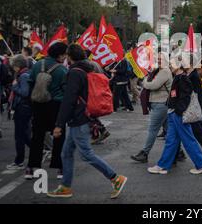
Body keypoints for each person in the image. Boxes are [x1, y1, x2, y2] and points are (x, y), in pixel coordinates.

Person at [47, 44, 127, 198]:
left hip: (79, 118)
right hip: (82, 116)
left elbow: (69, 100)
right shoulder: (88, 69)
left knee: (86, 154)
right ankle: (65, 187)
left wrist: (58, 124)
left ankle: (115, 178)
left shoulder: (74, 73)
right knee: (66, 153)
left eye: (66, 56)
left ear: (70, 57)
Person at [147, 57, 202, 175]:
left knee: (187, 140)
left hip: (177, 114)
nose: (170, 65)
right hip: (174, 113)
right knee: (171, 141)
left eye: (172, 64)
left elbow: (185, 97)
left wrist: (178, 111)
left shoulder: (182, 78)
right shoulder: (179, 77)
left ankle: (201, 164)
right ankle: (163, 165)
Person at [25, 43, 68, 179]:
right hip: (55, 105)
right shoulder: (62, 69)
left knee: (37, 136)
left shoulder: (38, 64)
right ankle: (59, 168)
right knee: (58, 136)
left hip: (38, 104)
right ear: (60, 55)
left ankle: (31, 167)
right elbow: (65, 89)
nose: (65, 57)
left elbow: (30, 82)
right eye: (64, 54)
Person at [131, 53, 172, 163]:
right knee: (169, 131)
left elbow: (153, 85)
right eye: (157, 59)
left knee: (152, 130)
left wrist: (144, 81)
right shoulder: (158, 70)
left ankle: (144, 153)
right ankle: (178, 152)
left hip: (161, 104)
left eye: (161, 59)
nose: (158, 61)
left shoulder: (164, 71)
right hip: (159, 104)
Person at [7, 55, 32, 170]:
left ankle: (19, 161)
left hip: (22, 108)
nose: (13, 68)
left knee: (19, 135)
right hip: (23, 107)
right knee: (25, 134)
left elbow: (25, 92)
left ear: (18, 66)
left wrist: (15, 86)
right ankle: (37, 151)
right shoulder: (24, 74)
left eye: (14, 66)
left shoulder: (23, 76)